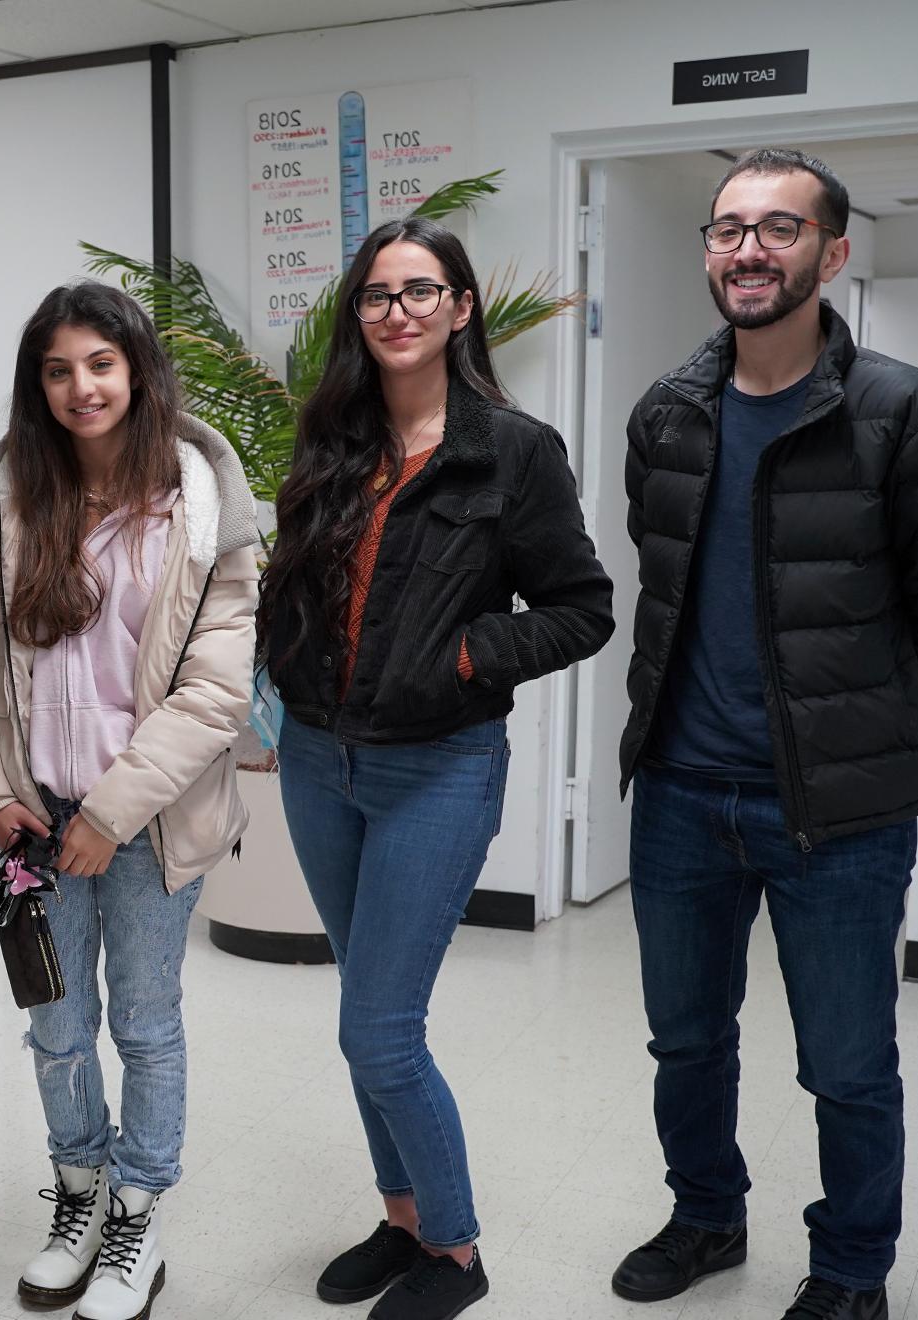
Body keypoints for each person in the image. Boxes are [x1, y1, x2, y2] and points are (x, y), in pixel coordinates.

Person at [609, 148, 918, 1320]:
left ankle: (848, 1273)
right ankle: (705, 1215)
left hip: (836, 812)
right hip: (679, 792)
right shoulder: (665, 414)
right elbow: (662, 588)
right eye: (728, 228)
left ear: (832, 254)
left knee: (844, 1066)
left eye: (778, 229)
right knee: (684, 1041)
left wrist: (872, 733)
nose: (746, 249)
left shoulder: (910, 414)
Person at [258, 216, 614, 1320]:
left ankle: (455, 1250)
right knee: (362, 1013)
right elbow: (295, 581)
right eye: (376, 296)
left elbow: (582, 608)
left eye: (420, 291)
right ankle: (402, 1217)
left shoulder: (513, 450)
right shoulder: (331, 436)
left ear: (459, 307)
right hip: (320, 762)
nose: (397, 311)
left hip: (439, 768)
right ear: (355, 318)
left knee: (377, 1026)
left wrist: (467, 654)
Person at [0, 280, 259, 1320]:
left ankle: (137, 1212)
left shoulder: (202, 501)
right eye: (58, 368)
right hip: (34, 820)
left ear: (138, 370)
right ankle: (77, 1190)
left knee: (146, 1026)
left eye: (101, 363)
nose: (82, 386)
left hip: (145, 823)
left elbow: (215, 691)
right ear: (39, 384)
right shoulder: (13, 494)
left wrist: (107, 815)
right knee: (54, 1022)